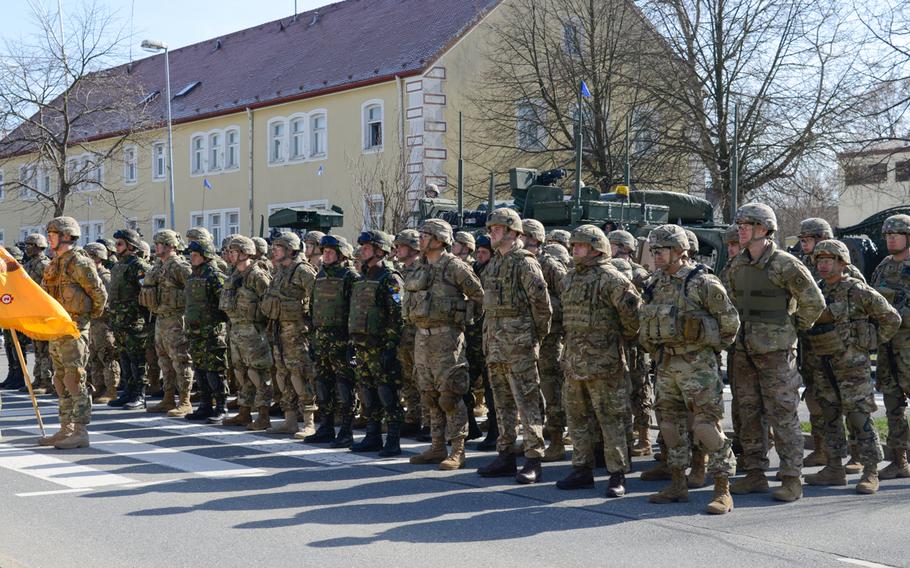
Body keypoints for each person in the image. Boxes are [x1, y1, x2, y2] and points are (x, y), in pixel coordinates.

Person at [726, 203, 824, 502]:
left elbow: (814, 302)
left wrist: (792, 328)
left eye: (748, 223)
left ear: (765, 230)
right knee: (748, 412)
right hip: (744, 351)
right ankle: (755, 473)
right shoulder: (737, 265)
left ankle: (792, 478)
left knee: (783, 414)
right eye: (740, 223)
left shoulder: (785, 264)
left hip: (776, 354)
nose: (741, 228)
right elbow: (728, 302)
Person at [640, 224, 740, 514]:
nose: (656, 255)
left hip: (698, 367)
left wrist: (707, 350)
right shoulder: (654, 283)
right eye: (654, 250)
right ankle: (677, 484)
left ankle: (723, 489)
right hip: (666, 365)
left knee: (706, 427)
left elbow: (730, 323)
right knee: (670, 427)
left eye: (662, 250)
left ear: (680, 251)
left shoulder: (702, 282)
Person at [802, 240, 899, 494]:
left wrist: (869, 341)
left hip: (852, 367)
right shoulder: (818, 291)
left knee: (859, 418)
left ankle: (870, 471)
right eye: (819, 261)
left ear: (842, 263)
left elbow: (891, 318)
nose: (822, 265)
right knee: (829, 417)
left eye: (828, 260)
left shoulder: (857, 290)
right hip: (824, 365)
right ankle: (834, 468)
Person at [556, 225, 641, 498]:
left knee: (611, 419)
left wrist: (618, 340)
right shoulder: (570, 279)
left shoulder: (610, 278)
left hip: (605, 363)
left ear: (595, 249)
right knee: (577, 418)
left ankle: (617, 474)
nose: (574, 250)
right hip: (574, 362)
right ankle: (581, 468)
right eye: (574, 246)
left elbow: (632, 314)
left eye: (580, 246)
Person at [477, 208, 552, 484]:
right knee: (502, 402)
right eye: (491, 229)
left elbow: (542, 307)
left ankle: (533, 458)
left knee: (527, 401)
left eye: (496, 228)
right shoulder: (495, 264)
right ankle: (505, 454)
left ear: (512, 232)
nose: (492, 233)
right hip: (495, 343)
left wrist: (534, 337)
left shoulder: (525, 262)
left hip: (519, 344)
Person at [405, 219, 484, 470]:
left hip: (447, 338)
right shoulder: (419, 267)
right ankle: (437, 445)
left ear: (439, 239)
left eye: (424, 235)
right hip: (422, 336)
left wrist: (463, 318)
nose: (420, 239)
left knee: (450, 394)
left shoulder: (455, 267)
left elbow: (480, 296)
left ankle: (458, 450)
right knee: (429, 395)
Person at [796, 217, 865, 472]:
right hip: (811, 345)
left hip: (840, 346)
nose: (804, 245)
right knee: (818, 398)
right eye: (802, 240)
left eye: (809, 240)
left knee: (847, 399)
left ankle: (856, 453)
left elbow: (861, 306)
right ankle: (822, 448)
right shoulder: (803, 266)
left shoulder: (847, 271)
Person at [39, 217, 107, 449]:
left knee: (75, 378)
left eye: (53, 234)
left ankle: (80, 431)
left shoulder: (79, 262)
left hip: (74, 327)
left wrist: (84, 320)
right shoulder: (54, 263)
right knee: (60, 379)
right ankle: (65, 427)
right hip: (56, 328)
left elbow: (99, 295)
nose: (49, 238)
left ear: (66, 236)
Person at [345, 231, 405, 456]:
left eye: (367, 248)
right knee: (367, 393)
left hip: (381, 346)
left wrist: (391, 347)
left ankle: (393, 439)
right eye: (361, 247)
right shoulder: (363, 278)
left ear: (381, 251)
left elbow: (398, 315)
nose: (362, 251)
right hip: (362, 346)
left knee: (387, 392)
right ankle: (372, 436)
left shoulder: (390, 278)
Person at [260, 232, 318, 438]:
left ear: (290, 250)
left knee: (300, 374)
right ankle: (290, 420)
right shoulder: (280, 271)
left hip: (296, 332)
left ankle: (309, 421)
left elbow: (316, 296)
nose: (273, 250)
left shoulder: (302, 270)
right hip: (278, 330)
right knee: (282, 374)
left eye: (278, 247)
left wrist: (308, 321)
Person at [304, 235, 360, 447]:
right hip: (321, 340)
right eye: (324, 251)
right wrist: (312, 339)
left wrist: (352, 344)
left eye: (330, 252)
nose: (325, 255)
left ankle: (346, 431)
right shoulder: (319, 276)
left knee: (345, 387)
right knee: (322, 385)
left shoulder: (350, 277)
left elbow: (355, 312)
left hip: (341, 341)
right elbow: (312, 308)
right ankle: (325, 427)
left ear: (341, 255)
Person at [522, 218, 569, 462]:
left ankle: (558, 440)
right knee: (533, 389)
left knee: (552, 388)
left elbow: (569, 297)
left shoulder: (549, 265)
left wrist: (547, 308)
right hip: (528, 336)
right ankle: (537, 436)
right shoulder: (520, 262)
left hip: (550, 338)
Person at [220, 236, 274, 430]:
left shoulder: (258, 276)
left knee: (258, 374)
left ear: (245, 253)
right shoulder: (234, 274)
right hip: (236, 331)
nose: (230, 255)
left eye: (234, 251)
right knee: (242, 373)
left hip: (254, 332)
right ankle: (244, 412)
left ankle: (263, 415)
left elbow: (269, 305)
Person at [871, 214, 910, 480]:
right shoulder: (884, 266)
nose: (890, 239)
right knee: (893, 404)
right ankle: (899, 460)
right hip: (888, 347)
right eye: (887, 235)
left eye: (896, 234)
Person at [608, 229, 653, 456]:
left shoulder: (640, 275)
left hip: (635, 340)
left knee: (639, 387)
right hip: (614, 339)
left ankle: (643, 437)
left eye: (613, 245)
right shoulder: (607, 269)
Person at [141, 230, 194, 417]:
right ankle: (168, 398)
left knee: (181, 360)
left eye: (160, 244)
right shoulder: (158, 266)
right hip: (161, 318)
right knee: (164, 361)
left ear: (170, 245)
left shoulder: (179, 266)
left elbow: (193, 290)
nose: (156, 247)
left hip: (176, 319)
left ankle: (185, 400)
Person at [183, 239, 231, 423]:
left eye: (195, 255)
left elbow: (224, 304)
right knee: (200, 369)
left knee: (215, 370)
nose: (192, 258)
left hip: (212, 332)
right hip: (195, 332)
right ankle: (204, 405)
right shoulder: (192, 276)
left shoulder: (214, 276)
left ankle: (221, 406)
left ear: (206, 256)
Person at [107, 228, 153, 410]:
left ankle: (139, 394)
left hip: (135, 320)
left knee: (137, 359)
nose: (116, 247)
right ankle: (127, 391)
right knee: (124, 357)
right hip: (120, 320)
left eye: (120, 243)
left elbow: (147, 292)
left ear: (130, 246)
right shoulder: (118, 266)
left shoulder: (139, 266)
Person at [394, 229, 424, 437]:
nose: (397, 249)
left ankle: (428, 420)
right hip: (403, 333)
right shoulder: (399, 272)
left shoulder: (423, 270)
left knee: (421, 377)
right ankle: (413, 417)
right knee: (406, 377)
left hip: (419, 333)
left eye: (401, 246)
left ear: (413, 248)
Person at [83, 243, 120, 404]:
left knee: (108, 357)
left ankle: (111, 390)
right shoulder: (89, 275)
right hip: (92, 322)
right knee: (94, 358)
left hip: (103, 323)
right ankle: (99, 388)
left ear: (97, 257)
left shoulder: (105, 277)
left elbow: (110, 302)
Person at [470, 234, 497, 451]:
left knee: (492, 388)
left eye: (484, 252)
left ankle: (495, 432)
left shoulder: (495, 271)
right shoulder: (474, 270)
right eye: (477, 252)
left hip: (490, 337)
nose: (479, 256)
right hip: (473, 336)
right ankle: (470, 426)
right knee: (463, 384)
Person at [22, 233, 53, 394]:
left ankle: (46, 381)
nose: (26, 248)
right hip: (32, 311)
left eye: (29, 245)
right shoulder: (29, 264)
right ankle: (38, 378)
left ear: (38, 247)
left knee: (45, 347)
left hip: (43, 311)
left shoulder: (44, 264)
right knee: (37, 347)